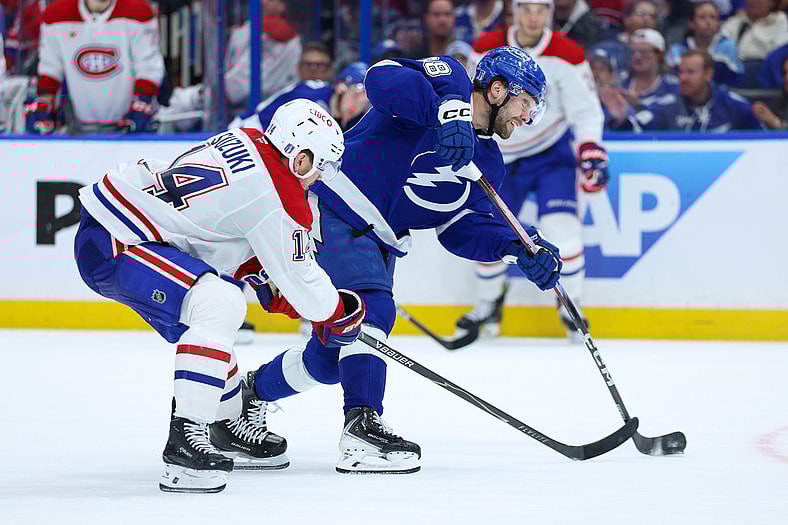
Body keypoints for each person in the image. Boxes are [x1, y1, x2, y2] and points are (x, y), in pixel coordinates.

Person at [245, 46, 562, 474]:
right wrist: (448, 108)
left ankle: (247, 397)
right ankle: (362, 429)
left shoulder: (489, 163)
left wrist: (517, 248)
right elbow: (381, 79)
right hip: (334, 207)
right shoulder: (444, 78)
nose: (527, 118)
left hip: (379, 240)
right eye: (526, 104)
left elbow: (458, 229)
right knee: (372, 310)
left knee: (330, 359)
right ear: (499, 89)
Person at [73, 99, 366, 493]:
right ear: (301, 158)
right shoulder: (282, 194)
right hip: (121, 239)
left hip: (120, 228)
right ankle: (185, 443)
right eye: (322, 166)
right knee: (220, 302)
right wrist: (340, 312)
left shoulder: (246, 140)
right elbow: (303, 281)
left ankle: (225, 423)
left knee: (210, 312)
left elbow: (219, 225)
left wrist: (266, 277)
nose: (319, 178)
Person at [464, 0, 608, 344]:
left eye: (540, 9)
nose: (533, 16)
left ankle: (570, 306)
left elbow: (586, 109)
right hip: (498, 153)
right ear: (514, 10)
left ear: (549, 13)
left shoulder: (566, 52)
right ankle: (487, 305)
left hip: (550, 153)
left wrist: (590, 149)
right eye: (525, 8)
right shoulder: (486, 46)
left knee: (564, 231)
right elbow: (473, 97)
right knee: (489, 230)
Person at [26, 0, 165, 134]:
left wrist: (142, 101)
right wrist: (44, 102)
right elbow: (50, 68)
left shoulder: (138, 12)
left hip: (130, 129)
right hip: (79, 127)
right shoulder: (55, 15)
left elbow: (148, 67)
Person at [607, 49, 763, 131]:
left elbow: (763, 142)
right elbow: (636, 128)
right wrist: (621, 119)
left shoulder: (734, 105)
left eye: (690, 72)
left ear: (708, 74)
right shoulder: (666, 106)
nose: (683, 78)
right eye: (681, 72)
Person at [666, 1, 743, 86]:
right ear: (691, 24)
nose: (708, 21)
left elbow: (736, 80)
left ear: (718, 24)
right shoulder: (677, 50)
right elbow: (671, 82)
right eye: (702, 17)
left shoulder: (728, 46)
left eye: (713, 17)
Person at [621, 28, 679, 107]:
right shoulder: (620, 82)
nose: (637, 56)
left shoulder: (672, 87)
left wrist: (639, 104)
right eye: (633, 51)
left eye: (643, 51)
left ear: (659, 55)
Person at [720, 0, 788, 61]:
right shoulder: (734, 23)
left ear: (772, 3)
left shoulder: (781, 22)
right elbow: (717, 51)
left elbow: (780, 56)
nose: (754, 1)